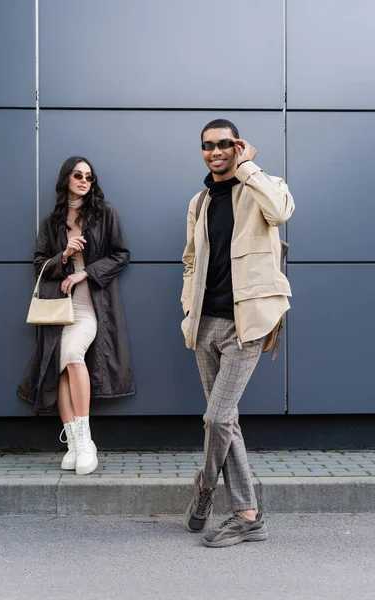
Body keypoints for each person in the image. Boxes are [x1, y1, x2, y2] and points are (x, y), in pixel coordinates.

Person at [181, 119, 294, 547]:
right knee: (227, 422)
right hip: (204, 322)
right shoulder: (200, 200)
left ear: (239, 145)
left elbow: (281, 211)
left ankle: (205, 488)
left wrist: (249, 168)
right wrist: (188, 302)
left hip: (247, 323)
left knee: (216, 417)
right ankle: (248, 514)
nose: (216, 151)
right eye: (208, 145)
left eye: (224, 144)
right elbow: (190, 258)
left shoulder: (262, 185)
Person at [18, 156, 135, 475]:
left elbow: (122, 255)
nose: (84, 181)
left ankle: (86, 442)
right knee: (60, 369)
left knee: (72, 357)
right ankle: (73, 442)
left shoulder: (103, 213)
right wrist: (65, 255)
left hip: (93, 306)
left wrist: (84, 273)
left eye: (89, 177)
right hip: (60, 307)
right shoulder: (52, 222)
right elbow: (39, 264)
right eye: (77, 175)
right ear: (66, 179)